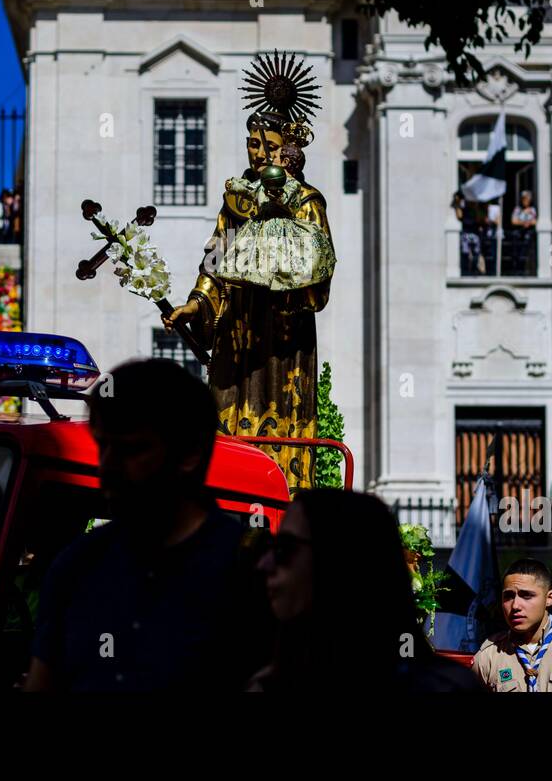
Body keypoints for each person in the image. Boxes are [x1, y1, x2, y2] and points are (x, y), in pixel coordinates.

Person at [24, 359, 273, 692]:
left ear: (189, 454)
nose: (108, 465)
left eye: (131, 448)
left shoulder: (253, 574)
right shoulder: (76, 565)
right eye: (103, 445)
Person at [161, 51, 335, 491]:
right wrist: (196, 303)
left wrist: (283, 281)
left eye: (269, 146)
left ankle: (279, 495)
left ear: (288, 151)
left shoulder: (306, 201)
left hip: (283, 334)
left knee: (277, 419)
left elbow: (318, 270)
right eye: (253, 144)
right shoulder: (236, 201)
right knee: (229, 417)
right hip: (237, 327)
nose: (259, 153)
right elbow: (216, 260)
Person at [249, 489, 478, 692]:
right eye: (268, 547)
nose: (264, 564)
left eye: (284, 549)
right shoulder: (268, 682)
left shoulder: (443, 686)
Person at [472, 559, 552, 692]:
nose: (515, 606)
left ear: (549, 598)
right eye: (508, 596)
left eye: (527, 595)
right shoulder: (487, 657)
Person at [452, 191, 481, 276]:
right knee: (465, 253)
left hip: (474, 232)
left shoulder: (474, 207)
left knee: (476, 253)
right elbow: (459, 216)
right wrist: (457, 204)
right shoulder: (461, 207)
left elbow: (478, 217)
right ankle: (466, 270)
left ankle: (474, 269)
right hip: (466, 233)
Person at [509, 190, 537, 275]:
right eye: (524, 199)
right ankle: (518, 270)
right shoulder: (518, 209)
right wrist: (523, 222)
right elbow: (513, 221)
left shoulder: (532, 210)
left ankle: (528, 270)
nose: (526, 201)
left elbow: (535, 221)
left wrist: (529, 223)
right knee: (518, 254)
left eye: (527, 199)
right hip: (519, 235)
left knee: (528, 254)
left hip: (529, 235)